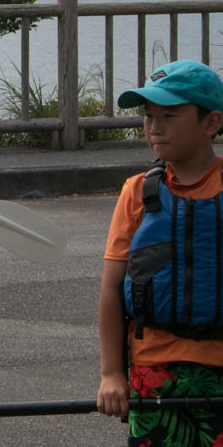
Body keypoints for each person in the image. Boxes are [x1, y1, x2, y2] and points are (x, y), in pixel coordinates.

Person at [97, 60, 223, 445]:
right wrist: (111, 374)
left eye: (170, 115)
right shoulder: (136, 192)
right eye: (148, 115)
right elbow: (110, 292)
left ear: (211, 123)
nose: (154, 126)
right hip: (154, 369)